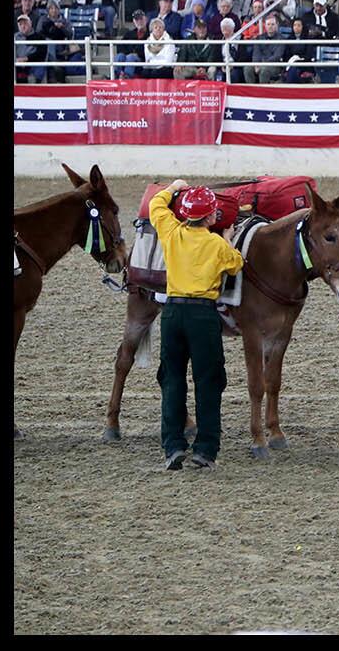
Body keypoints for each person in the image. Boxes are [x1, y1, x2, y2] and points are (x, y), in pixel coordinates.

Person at [149, 181, 245, 470]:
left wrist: (173, 186)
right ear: (210, 217)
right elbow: (236, 264)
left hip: (172, 314)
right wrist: (228, 238)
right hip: (203, 317)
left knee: (172, 380)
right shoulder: (216, 244)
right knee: (208, 382)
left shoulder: (171, 231)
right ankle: (205, 450)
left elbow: (156, 206)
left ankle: (173, 446)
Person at [249, 15, 288, 83]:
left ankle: (262, 92)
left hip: (275, 65)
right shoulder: (259, 38)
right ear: (265, 26)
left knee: (264, 70)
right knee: (247, 68)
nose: (270, 26)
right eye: (268, 24)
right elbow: (256, 53)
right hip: (260, 63)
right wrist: (256, 63)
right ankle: (251, 91)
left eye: (273, 24)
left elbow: (277, 56)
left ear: (276, 25)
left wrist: (263, 64)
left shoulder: (282, 39)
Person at [114, 9, 149, 78]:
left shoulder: (151, 34)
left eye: (141, 19)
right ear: (134, 21)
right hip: (128, 58)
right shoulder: (129, 34)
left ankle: (127, 78)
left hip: (143, 61)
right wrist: (128, 53)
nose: (139, 21)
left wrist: (137, 53)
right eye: (136, 19)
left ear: (146, 19)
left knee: (131, 57)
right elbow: (120, 46)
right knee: (120, 56)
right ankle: (116, 76)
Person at [13, 14, 47, 83]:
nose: (23, 26)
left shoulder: (39, 37)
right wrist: (17, 60)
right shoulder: (15, 37)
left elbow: (42, 53)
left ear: (30, 23)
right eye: (20, 24)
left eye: (25, 23)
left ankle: (35, 91)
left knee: (40, 68)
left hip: (33, 63)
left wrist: (27, 59)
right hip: (17, 64)